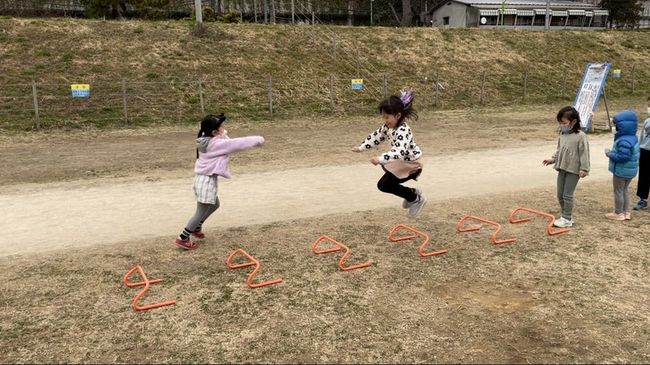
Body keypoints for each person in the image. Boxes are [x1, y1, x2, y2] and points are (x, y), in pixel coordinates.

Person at [175, 114, 265, 250]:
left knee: (215, 204)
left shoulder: (206, 139)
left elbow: (225, 141)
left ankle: (196, 227)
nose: (224, 128)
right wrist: (258, 140)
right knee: (200, 211)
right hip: (206, 181)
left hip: (203, 179)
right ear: (214, 132)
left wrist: (221, 133)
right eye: (221, 127)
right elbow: (236, 144)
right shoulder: (215, 144)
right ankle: (183, 237)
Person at [352, 89, 426, 218]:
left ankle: (415, 198)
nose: (385, 120)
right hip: (401, 162)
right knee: (384, 185)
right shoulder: (389, 127)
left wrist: (380, 159)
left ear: (397, 116)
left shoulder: (403, 130)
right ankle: (412, 195)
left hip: (412, 165)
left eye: (387, 117)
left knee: (384, 184)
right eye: (383, 117)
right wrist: (361, 147)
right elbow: (377, 136)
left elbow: (399, 152)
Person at [543, 106, 590, 228]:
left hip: (574, 170)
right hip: (562, 167)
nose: (561, 125)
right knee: (560, 194)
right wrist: (553, 159)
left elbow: (584, 153)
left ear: (573, 122)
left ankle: (567, 218)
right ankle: (565, 215)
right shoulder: (562, 134)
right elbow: (560, 149)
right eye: (559, 122)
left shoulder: (581, 136)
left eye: (563, 123)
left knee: (567, 194)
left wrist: (584, 168)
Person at [605, 110, 640, 220]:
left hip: (621, 171)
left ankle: (618, 213)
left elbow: (623, 157)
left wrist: (609, 154)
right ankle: (626, 212)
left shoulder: (623, 141)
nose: (614, 127)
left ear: (622, 126)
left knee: (618, 191)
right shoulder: (632, 138)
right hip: (630, 172)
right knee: (625, 191)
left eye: (615, 125)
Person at [633, 96, 650, 210]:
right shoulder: (647, 121)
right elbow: (642, 137)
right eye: (649, 106)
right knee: (644, 176)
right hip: (645, 151)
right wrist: (638, 148)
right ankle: (643, 199)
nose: (649, 108)